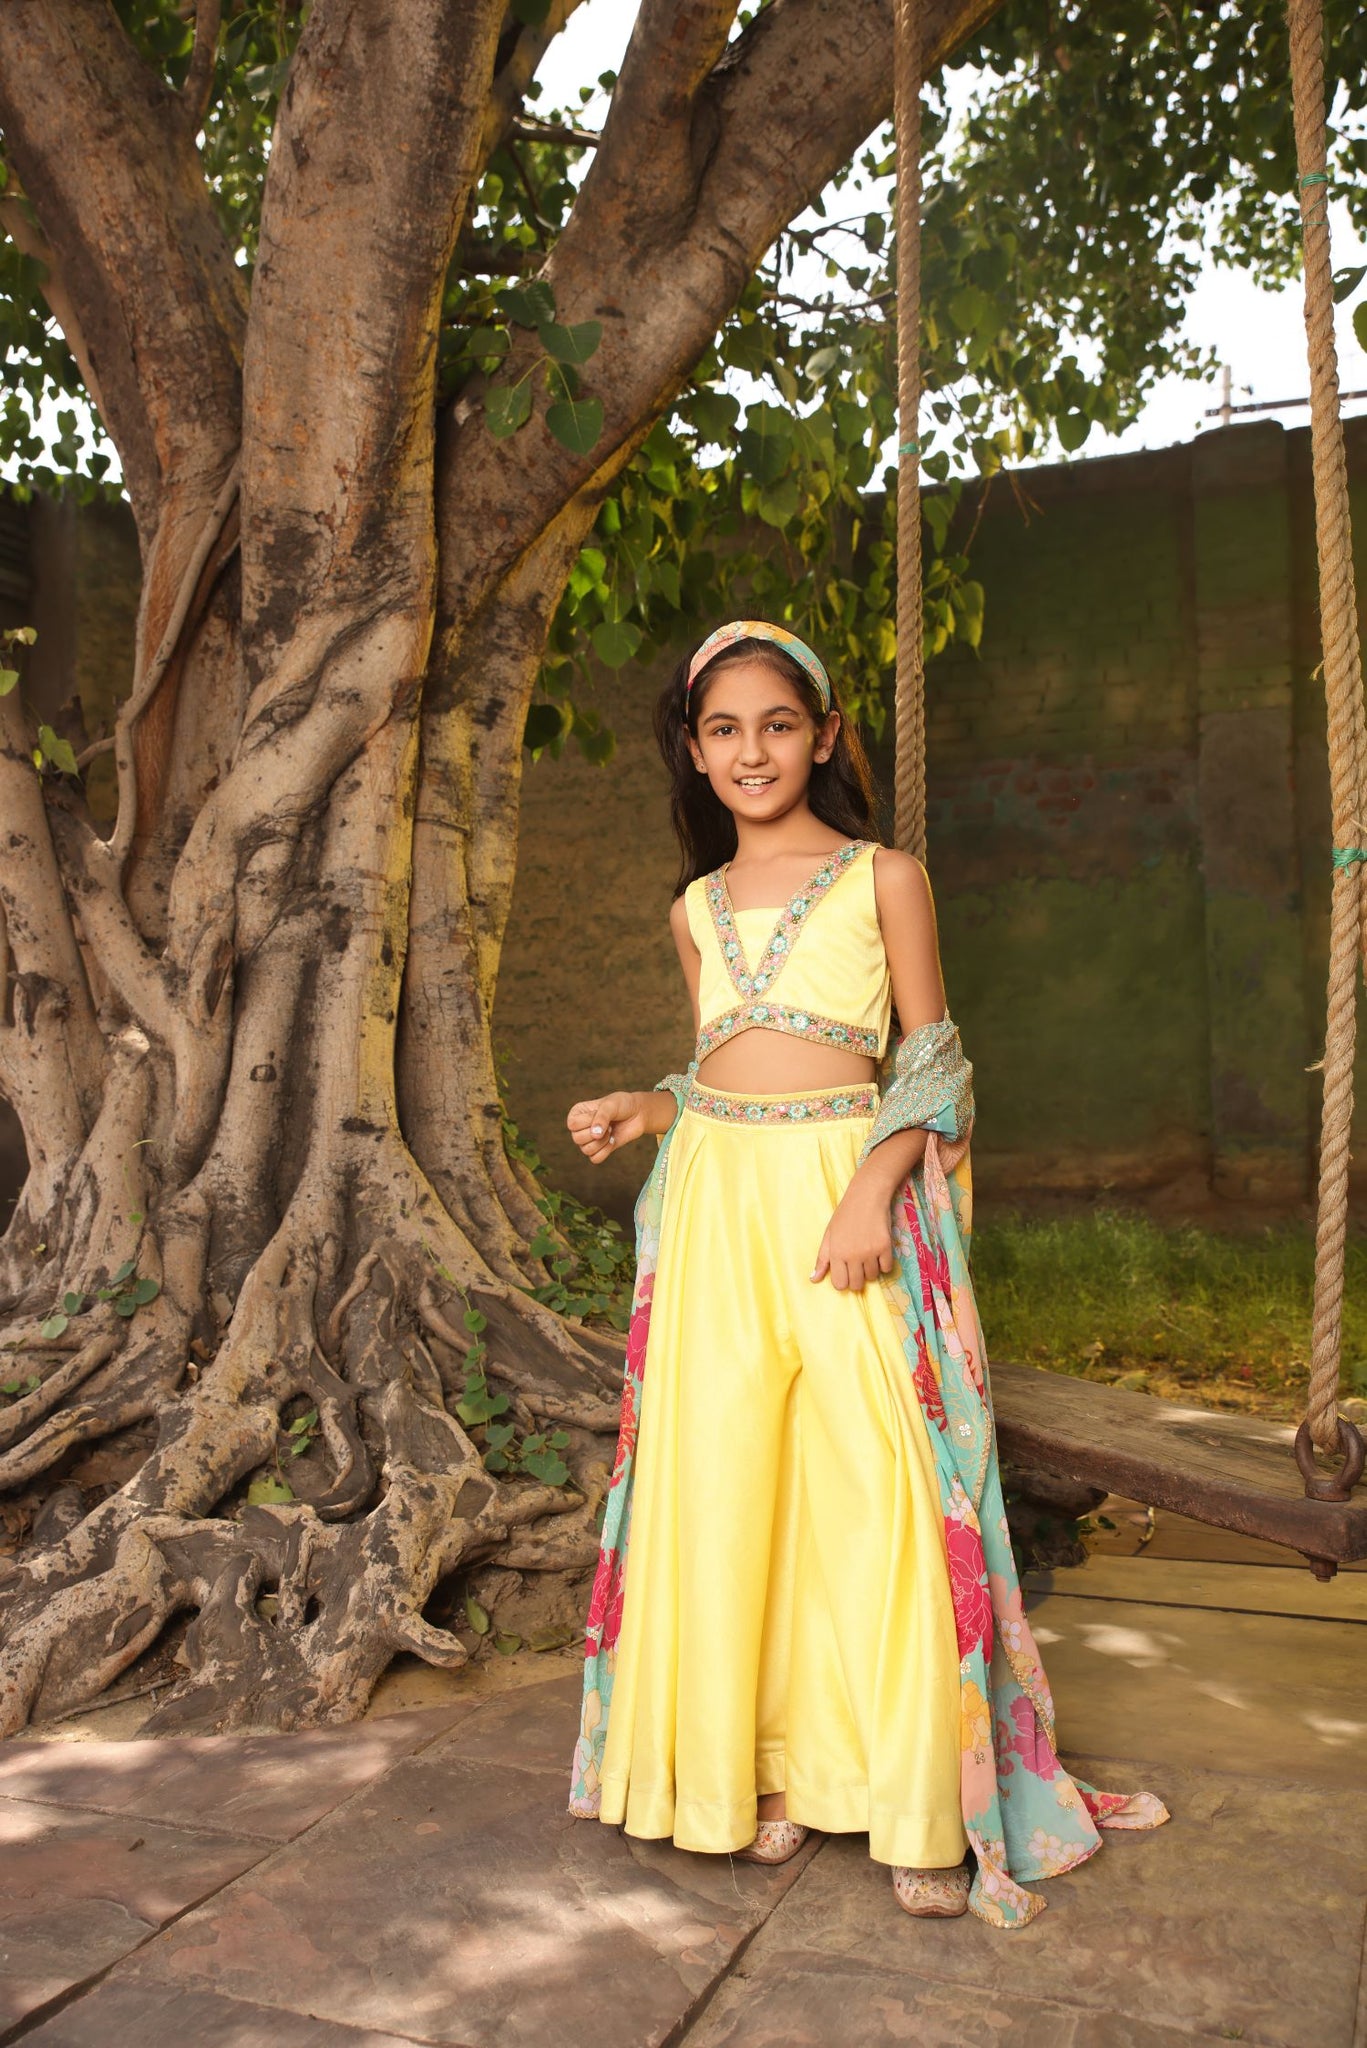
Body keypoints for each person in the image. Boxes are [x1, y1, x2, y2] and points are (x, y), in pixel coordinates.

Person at [565, 621, 1166, 1926]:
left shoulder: (884, 877)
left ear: (824, 736)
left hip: (846, 1199)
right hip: (719, 1204)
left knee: (879, 1489)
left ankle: (912, 1807)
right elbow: (722, 1059)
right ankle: (763, 1779)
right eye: (722, 730)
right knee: (731, 1490)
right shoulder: (694, 909)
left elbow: (933, 1060)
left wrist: (870, 1188)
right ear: (693, 750)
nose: (751, 751)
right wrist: (645, 1108)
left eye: (777, 723)